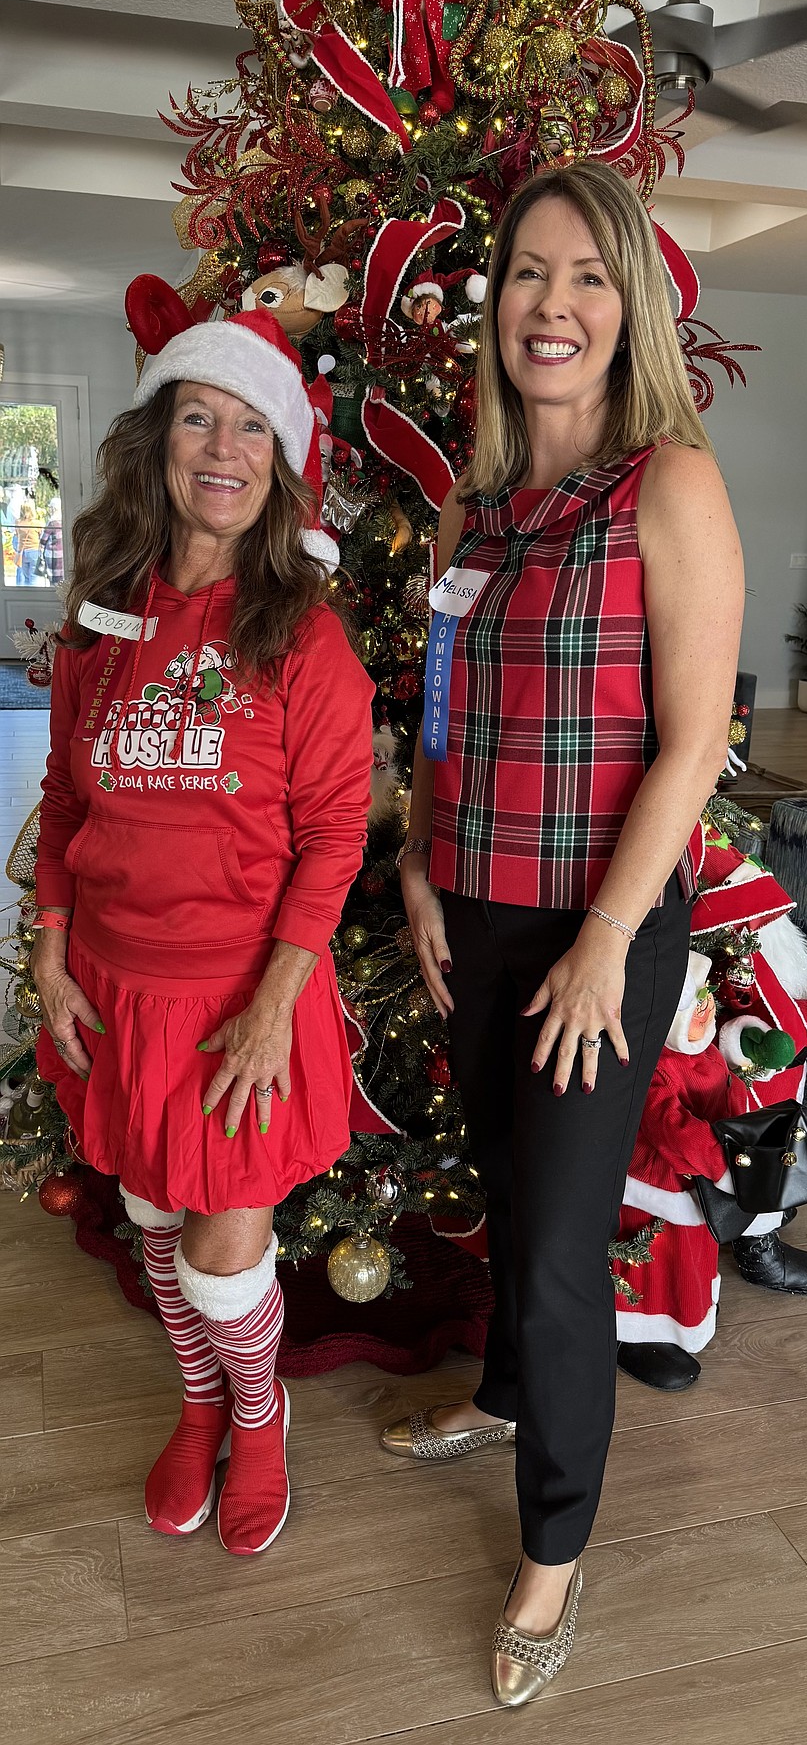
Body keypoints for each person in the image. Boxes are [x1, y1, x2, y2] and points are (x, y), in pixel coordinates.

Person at [381, 161, 744, 1706]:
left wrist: (606, 940)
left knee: (552, 1252)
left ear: (627, 307)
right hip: (472, 907)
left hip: (600, 927)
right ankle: (506, 1400)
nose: (552, 305)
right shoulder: (476, 506)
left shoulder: (668, 485)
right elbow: (446, 721)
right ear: (498, 310)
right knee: (512, 1192)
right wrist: (413, 854)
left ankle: (551, 1552)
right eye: (528, 274)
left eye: (584, 276)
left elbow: (689, 740)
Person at [32, 302, 374, 1556]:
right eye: (197, 415)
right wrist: (50, 941)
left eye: (248, 427)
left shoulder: (304, 638)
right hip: (118, 991)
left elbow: (337, 837)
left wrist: (277, 1006)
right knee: (160, 1228)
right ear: (159, 438)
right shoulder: (106, 618)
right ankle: (198, 1405)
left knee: (228, 1258)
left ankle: (260, 1413)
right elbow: (68, 798)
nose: (220, 447)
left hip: (241, 1003)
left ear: (277, 463)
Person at [38, 498, 63, 584]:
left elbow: (43, 540)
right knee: (62, 580)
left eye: (50, 508)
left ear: (53, 509)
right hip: (62, 554)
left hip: (53, 555)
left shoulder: (52, 523)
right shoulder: (64, 520)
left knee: (54, 582)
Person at [14, 500, 40, 583]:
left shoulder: (18, 522)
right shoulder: (37, 523)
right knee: (33, 577)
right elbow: (41, 536)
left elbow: (17, 535)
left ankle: (26, 595)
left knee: (26, 577)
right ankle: (34, 595)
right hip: (34, 551)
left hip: (22, 552)